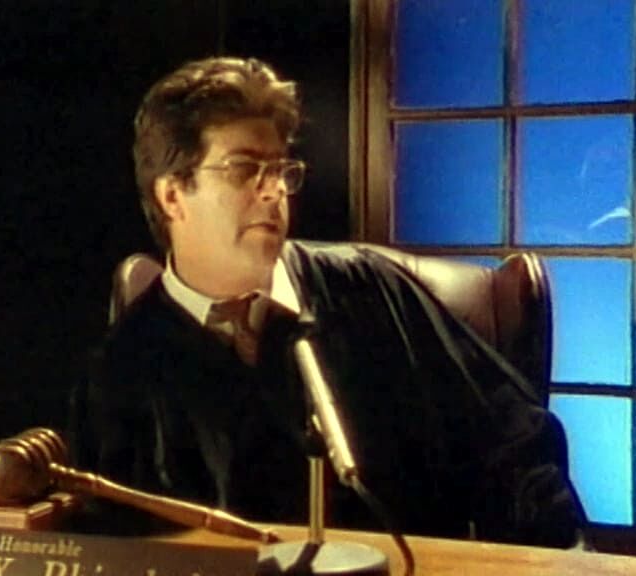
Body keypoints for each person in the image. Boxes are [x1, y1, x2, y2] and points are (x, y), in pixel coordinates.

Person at [69, 56, 585, 547]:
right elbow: (116, 546)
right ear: (172, 196)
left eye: (281, 170)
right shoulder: (119, 373)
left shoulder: (372, 289)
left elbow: (517, 444)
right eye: (244, 169)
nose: (274, 191)